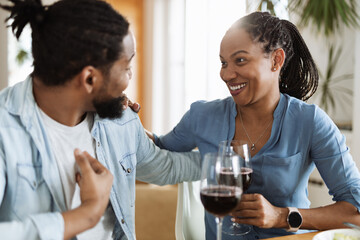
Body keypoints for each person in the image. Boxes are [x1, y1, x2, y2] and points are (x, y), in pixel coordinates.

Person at [148, 11, 360, 239]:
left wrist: (282, 216)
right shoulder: (202, 116)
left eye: (240, 60)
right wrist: (123, 117)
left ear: (276, 60)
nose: (226, 74)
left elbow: (355, 212)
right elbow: (157, 151)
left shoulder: (310, 121)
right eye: (223, 62)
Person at [0, 0, 201, 239]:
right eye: (126, 67)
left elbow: (164, 166)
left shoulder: (120, 118)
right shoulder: (5, 129)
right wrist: (88, 214)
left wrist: (231, 162)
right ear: (89, 80)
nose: (130, 77)